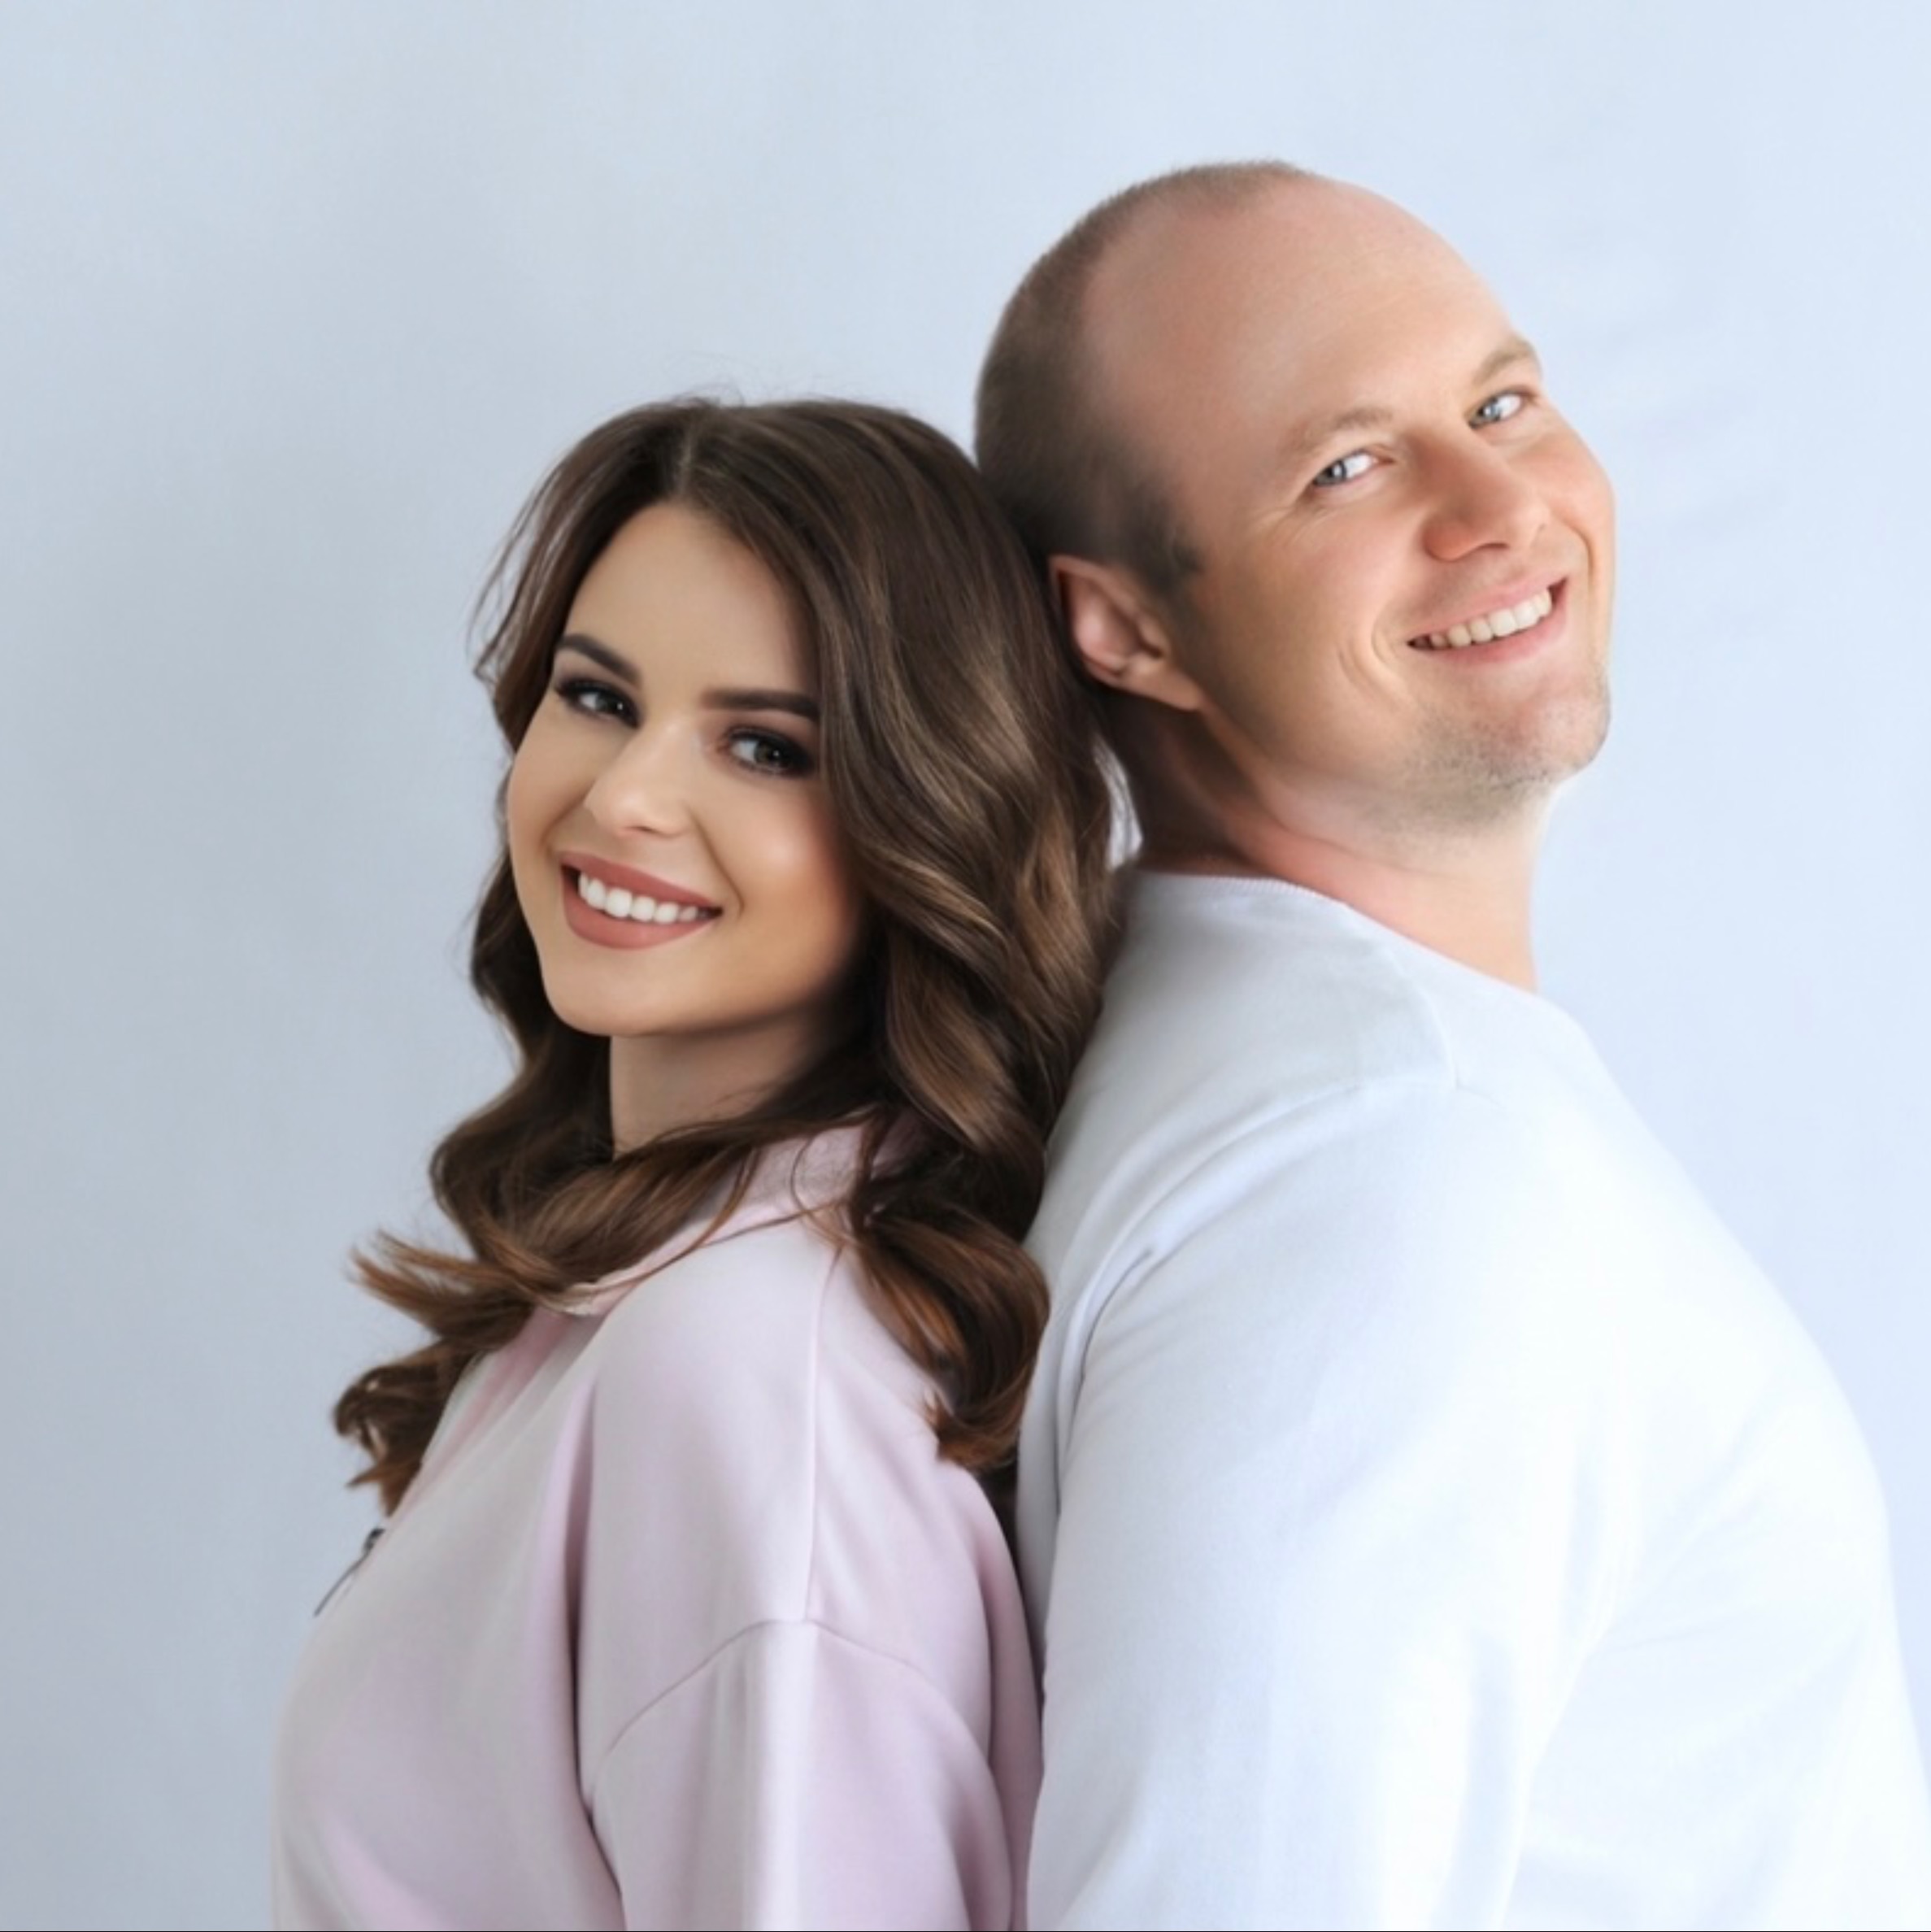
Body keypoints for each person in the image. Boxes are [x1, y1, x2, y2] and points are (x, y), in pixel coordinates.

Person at [976, 162, 1931, 1930]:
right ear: (1125, 629)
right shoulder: (1391, 1171)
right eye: (1347, 467)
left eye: (1501, 403)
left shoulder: (1231, 1051)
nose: (1503, 506)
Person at [270, 398, 1114, 1930]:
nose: (625, 797)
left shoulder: (745, 1385)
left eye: (765, 747)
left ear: (930, 816)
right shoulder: (651, 1279)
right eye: (598, 697)